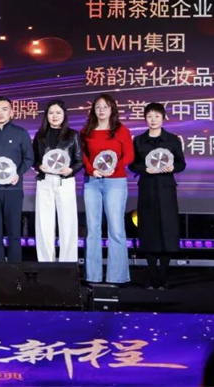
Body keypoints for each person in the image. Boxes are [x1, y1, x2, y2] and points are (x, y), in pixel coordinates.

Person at [128, 102, 186, 289]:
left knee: (167, 230)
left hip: (166, 188)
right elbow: (132, 164)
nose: (153, 120)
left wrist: (172, 167)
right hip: (147, 188)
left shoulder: (172, 139)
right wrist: (145, 169)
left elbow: (181, 164)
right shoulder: (139, 140)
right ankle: (152, 276)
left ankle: (163, 276)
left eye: (157, 116)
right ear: (145, 118)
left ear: (163, 118)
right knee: (149, 229)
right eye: (150, 116)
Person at [81, 93, 134, 284]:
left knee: (116, 228)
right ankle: (92, 276)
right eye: (98, 107)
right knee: (92, 229)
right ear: (93, 110)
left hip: (115, 182)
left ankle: (117, 277)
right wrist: (91, 170)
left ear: (112, 109)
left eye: (105, 106)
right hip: (92, 182)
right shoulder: (86, 130)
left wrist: (113, 167)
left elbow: (129, 155)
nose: (101, 110)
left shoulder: (121, 130)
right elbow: (82, 155)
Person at [32, 99, 83, 263]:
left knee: (68, 223)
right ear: (46, 115)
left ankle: (68, 264)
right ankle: (45, 263)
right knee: (44, 224)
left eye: (58, 113)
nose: (54, 116)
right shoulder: (40, 136)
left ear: (64, 115)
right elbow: (34, 159)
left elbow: (80, 160)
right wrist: (39, 166)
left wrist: (71, 170)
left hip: (65, 181)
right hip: (45, 181)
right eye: (51, 113)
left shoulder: (73, 135)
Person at [0, 96, 33, 262]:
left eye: (4, 109)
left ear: (11, 112)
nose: (0, 113)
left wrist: (18, 173)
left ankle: (14, 273)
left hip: (13, 189)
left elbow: (29, 158)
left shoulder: (20, 133)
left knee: (14, 234)